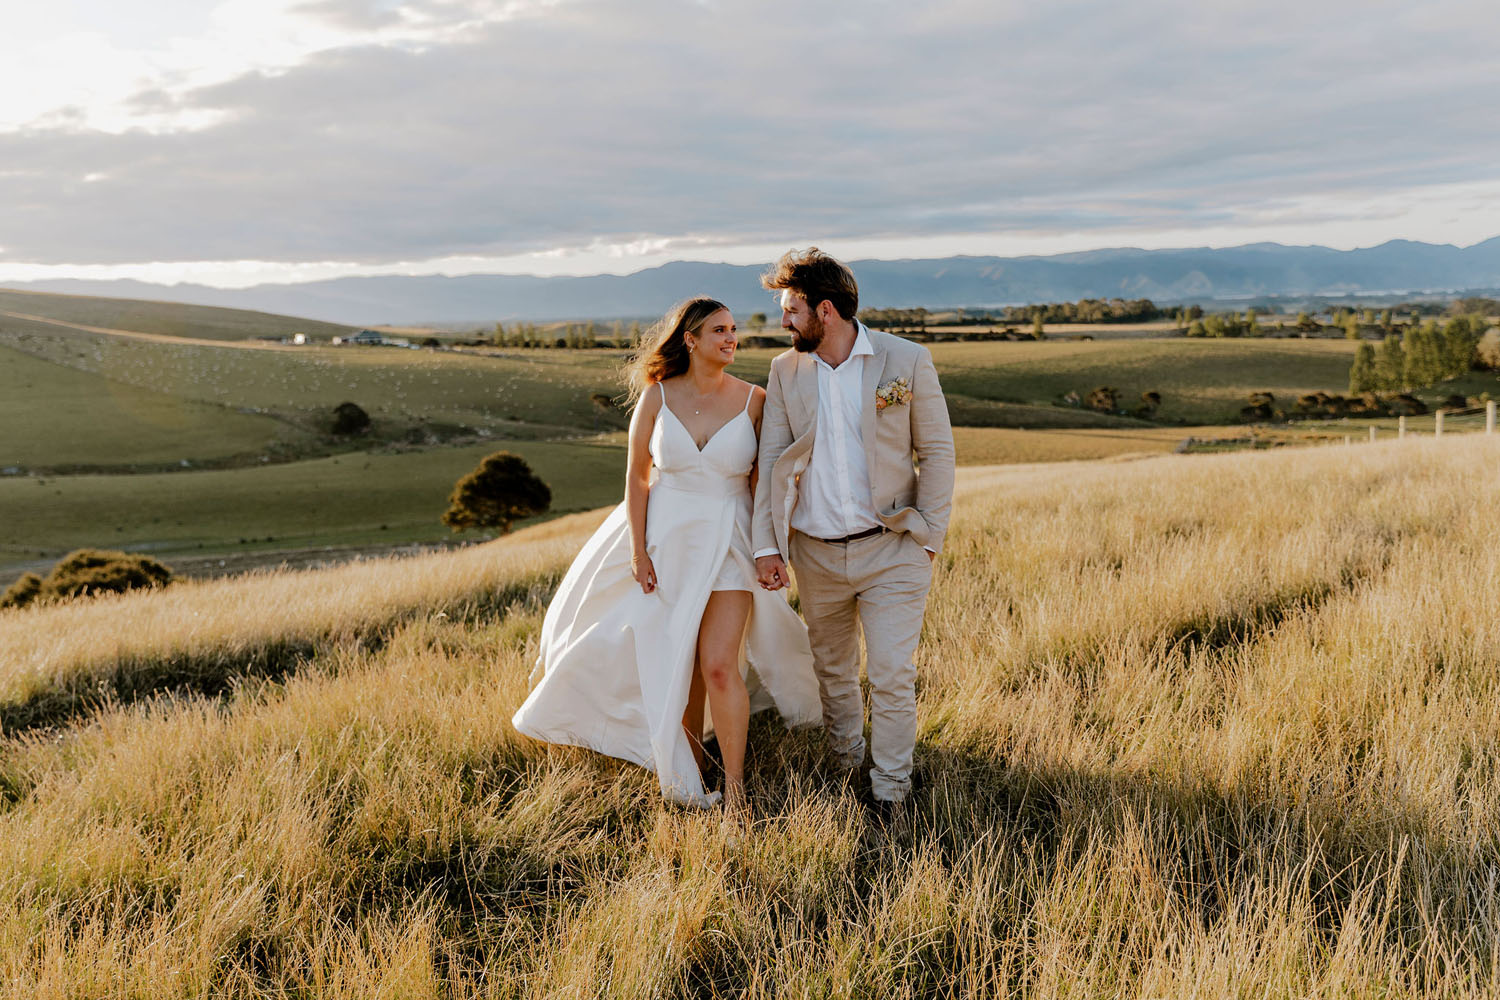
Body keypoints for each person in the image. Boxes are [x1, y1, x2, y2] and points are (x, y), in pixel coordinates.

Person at [512, 297, 820, 821]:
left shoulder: (756, 401)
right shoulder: (656, 397)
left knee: (719, 666)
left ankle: (738, 792)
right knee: (681, 664)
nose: (730, 338)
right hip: (665, 541)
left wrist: (772, 549)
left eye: (733, 329)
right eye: (718, 330)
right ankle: (691, 775)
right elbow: (636, 477)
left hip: (729, 539)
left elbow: (761, 484)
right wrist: (638, 551)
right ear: (690, 339)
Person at [752, 249, 955, 807]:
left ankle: (890, 792)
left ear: (826, 310)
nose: (784, 322)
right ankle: (846, 769)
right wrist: (769, 544)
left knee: (891, 674)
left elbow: (936, 452)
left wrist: (929, 536)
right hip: (815, 554)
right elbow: (772, 461)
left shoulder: (905, 360)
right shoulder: (784, 371)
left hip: (893, 548)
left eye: (792, 310)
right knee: (834, 672)